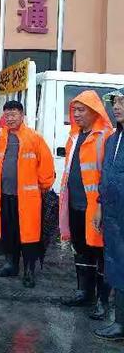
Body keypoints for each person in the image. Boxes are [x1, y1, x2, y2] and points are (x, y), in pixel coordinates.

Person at [0, 100, 55, 288]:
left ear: (22, 115)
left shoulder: (34, 138)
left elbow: (46, 165)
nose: (10, 118)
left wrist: (44, 186)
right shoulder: (2, 138)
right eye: (7, 115)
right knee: (9, 233)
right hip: (6, 196)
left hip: (28, 199)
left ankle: (29, 272)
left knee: (29, 236)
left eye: (14, 114)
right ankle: (11, 265)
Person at [59, 91, 113, 320]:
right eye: (75, 110)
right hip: (75, 206)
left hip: (97, 209)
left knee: (100, 254)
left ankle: (102, 301)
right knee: (81, 251)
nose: (77, 114)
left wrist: (101, 205)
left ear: (94, 111)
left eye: (82, 110)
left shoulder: (105, 137)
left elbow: (108, 176)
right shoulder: (73, 136)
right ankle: (84, 293)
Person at [93, 89, 124, 341]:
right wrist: (101, 206)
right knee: (116, 264)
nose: (117, 106)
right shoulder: (114, 139)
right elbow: (106, 176)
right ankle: (120, 322)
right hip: (113, 214)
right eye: (115, 102)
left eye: (123, 102)